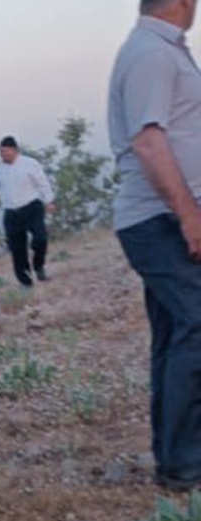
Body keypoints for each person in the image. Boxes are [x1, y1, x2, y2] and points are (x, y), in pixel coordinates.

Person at [108, 0, 201, 490]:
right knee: (196, 325)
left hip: (161, 218)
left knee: (174, 333)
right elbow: (148, 142)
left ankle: (175, 458)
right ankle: (185, 462)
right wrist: (189, 214)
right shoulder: (151, 53)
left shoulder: (162, 48)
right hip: (159, 219)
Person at [0, 136, 57, 286]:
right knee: (17, 249)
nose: (1, 154)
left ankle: (39, 266)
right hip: (11, 212)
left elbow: (42, 182)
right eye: (0, 151)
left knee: (40, 239)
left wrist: (49, 201)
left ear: (14, 150)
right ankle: (25, 282)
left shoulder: (29, 163)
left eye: (4, 151)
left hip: (31, 207)